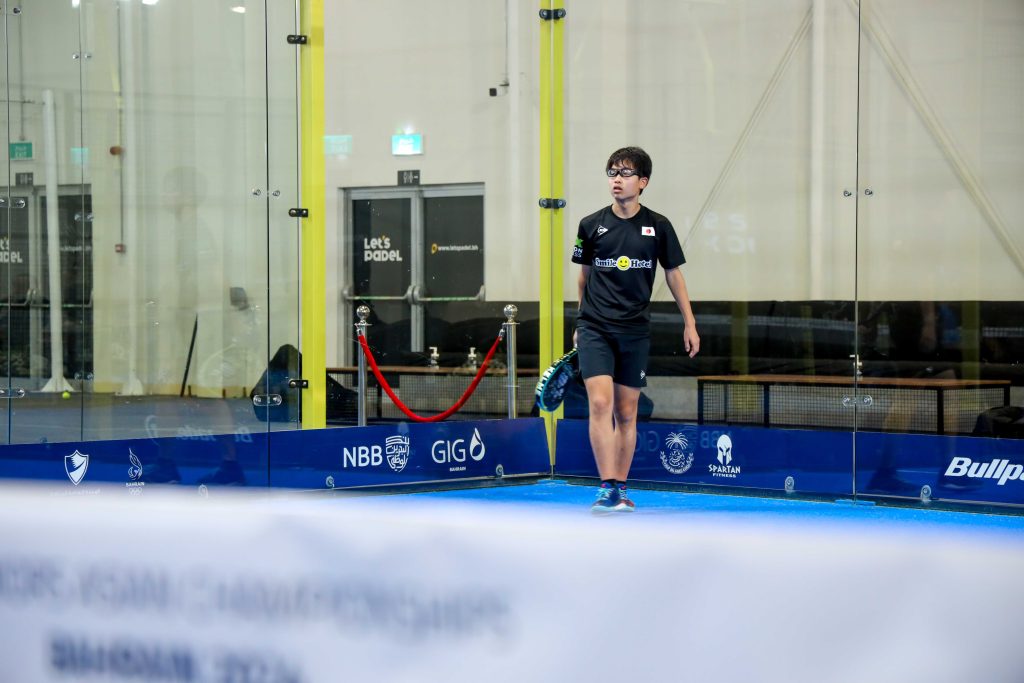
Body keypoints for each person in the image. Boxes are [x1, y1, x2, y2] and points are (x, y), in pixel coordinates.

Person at [572, 146, 700, 513]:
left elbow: (673, 274)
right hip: (595, 327)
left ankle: (621, 487)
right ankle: (606, 488)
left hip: (634, 331)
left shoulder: (658, 226)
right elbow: (583, 277)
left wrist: (690, 323)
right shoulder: (590, 225)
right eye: (612, 172)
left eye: (625, 173)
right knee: (600, 403)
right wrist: (581, 322)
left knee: (626, 414)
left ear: (642, 182)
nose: (617, 179)